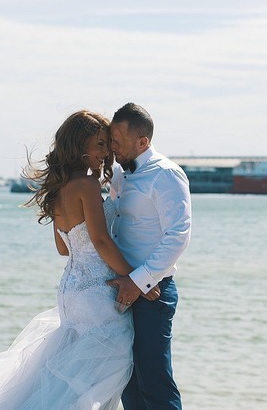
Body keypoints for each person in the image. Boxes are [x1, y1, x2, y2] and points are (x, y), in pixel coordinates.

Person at [0, 110, 159, 409]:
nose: (107, 154)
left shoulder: (59, 187)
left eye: (107, 145)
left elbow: (64, 248)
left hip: (70, 293)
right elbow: (101, 241)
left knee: (70, 375)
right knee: (100, 374)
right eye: (100, 145)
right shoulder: (87, 184)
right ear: (80, 147)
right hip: (95, 294)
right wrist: (137, 280)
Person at [105, 103, 192, 410]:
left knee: (155, 382)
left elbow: (178, 236)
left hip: (153, 293)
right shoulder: (119, 174)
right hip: (120, 286)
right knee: (127, 381)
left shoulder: (167, 175)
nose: (112, 146)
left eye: (118, 140)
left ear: (142, 142)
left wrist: (138, 281)